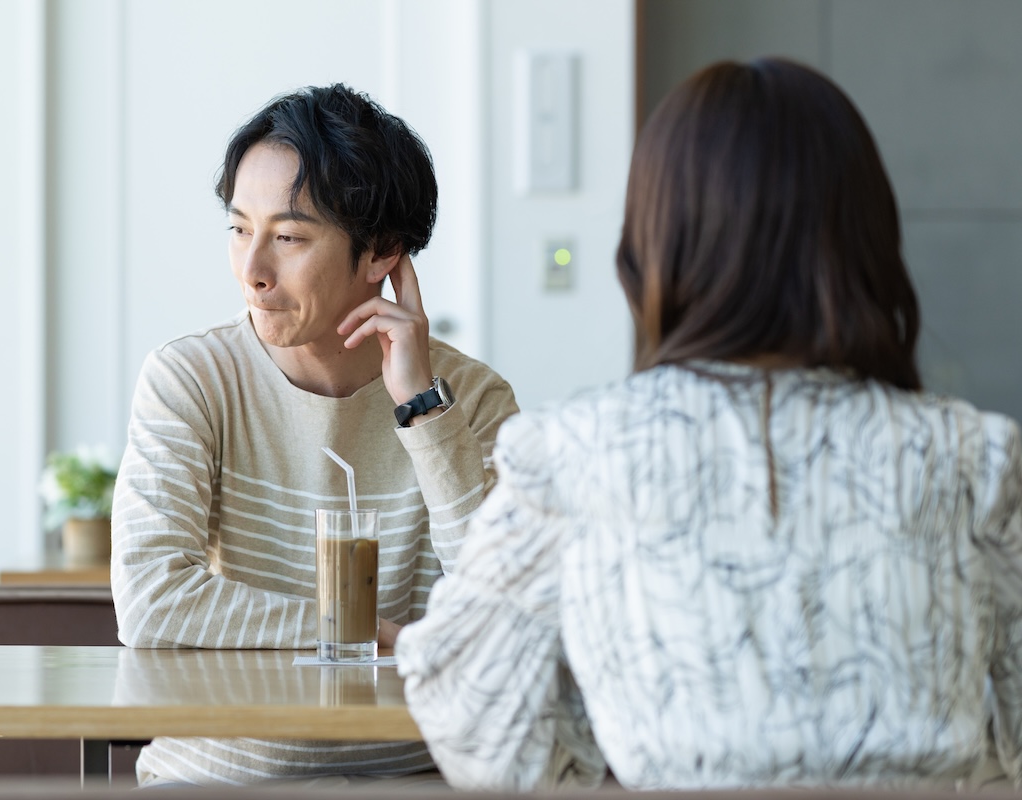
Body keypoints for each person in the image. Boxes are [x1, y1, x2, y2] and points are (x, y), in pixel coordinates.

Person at [395, 57, 1022, 791]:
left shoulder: (576, 455)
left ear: (653, 242)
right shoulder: (974, 458)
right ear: (868, 237)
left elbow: (478, 729)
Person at [110, 83, 519, 787]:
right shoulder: (191, 379)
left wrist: (423, 411)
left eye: (289, 237)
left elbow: (506, 611)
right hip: (214, 778)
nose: (253, 272)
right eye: (240, 229)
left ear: (383, 252)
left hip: (413, 778)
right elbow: (152, 600)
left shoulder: (472, 399)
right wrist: (366, 632)